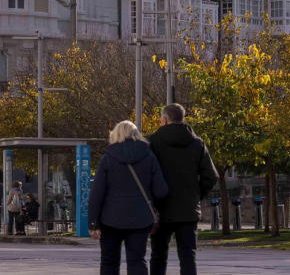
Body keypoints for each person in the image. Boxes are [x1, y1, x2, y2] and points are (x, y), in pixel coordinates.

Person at [147, 103, 219, 275]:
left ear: (164, 119)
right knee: (188, 256)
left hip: (160, 209)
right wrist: (196, 195)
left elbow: (145, 175)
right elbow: (211, 176)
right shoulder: (197, 143)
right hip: (188, 209)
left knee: (158, 256)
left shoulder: (152, 142)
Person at [89, 120, 168, 275]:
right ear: (136, 135)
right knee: (137, 260)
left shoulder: (107, 159)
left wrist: (93, 222)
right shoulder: (149, 157)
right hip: (140, 218)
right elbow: (161, 190)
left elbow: (97, 193)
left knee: (109, 261)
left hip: (109, 219)